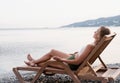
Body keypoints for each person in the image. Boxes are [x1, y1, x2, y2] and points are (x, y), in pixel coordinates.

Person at [24, 26, 111, 70]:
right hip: (73, 57)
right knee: (52, 51)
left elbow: (77, 62)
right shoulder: (95, 45)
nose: (94, 31)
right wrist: (75, 53)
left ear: (99, 36)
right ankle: (34, 61)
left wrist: (61, 60)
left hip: (72, 65)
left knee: (47, 62)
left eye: (97, 31)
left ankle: (34, 63)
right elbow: (81, 57)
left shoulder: (90, 46)